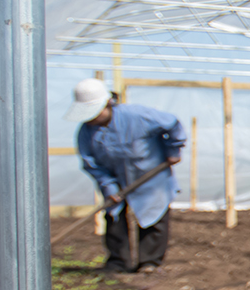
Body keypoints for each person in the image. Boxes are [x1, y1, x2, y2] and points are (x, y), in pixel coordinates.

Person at [66, 77, 187, 272]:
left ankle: (149, 262)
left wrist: (173, 150)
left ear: (107, 105)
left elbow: (172, 124)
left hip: (150, 175)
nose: (91, 119)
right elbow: (91, 163)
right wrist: (109, 186)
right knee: (113, 216)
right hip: (115, 179)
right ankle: (117, 262)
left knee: (153, 216)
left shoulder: (137, 116)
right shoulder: (85, 133)